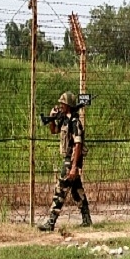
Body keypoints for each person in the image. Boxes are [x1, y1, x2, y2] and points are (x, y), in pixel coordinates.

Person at [38, 92, 92, 231]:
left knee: (60, 190)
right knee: (77, 191)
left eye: (63, 104)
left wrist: (74, 167)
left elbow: (78, 145)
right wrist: (52, 118)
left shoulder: (75, 123)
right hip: (68, 160)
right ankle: (87, 219)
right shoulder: (65, 120)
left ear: (68, 105)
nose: (60, 106)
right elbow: (54, 130)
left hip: (71, 161)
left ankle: (51, 222)